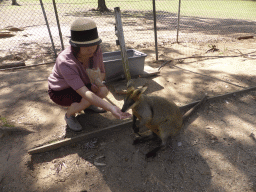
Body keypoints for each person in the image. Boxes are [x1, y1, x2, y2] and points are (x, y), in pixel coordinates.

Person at [48, 18, 131, 131]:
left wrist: (96, 82)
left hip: (83, 85)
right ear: (76, 46)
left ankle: (89, 106)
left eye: (94, 44)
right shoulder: (66, 61)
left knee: (102, 90)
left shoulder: (96, 50)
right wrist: (111, 107)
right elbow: (85, 93)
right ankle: (69, 115)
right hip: (62, 91)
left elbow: (102, 73)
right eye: (86, 46)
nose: (91, 49)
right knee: (88, 98)